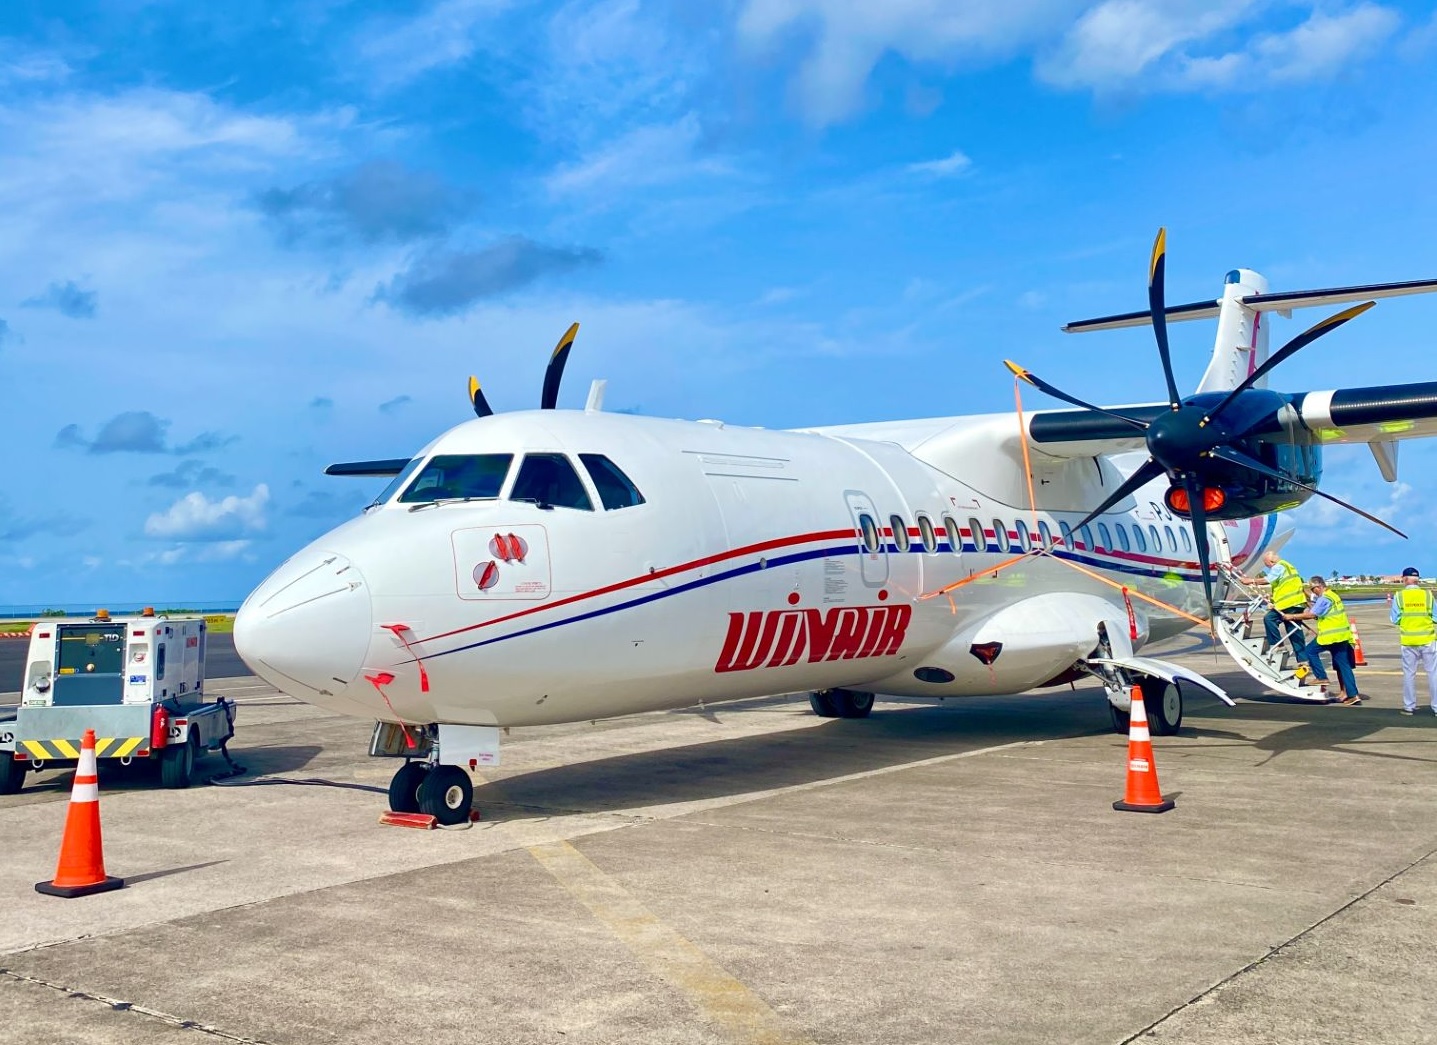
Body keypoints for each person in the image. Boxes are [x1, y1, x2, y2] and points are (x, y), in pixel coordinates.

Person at [1282, 577, 1362, 705]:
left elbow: (1312, 614)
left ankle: (1321, 677)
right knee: (1344, 666)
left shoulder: (1324, 599)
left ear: (1319, 587)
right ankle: (1353, 695)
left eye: (1313, 589)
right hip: (1342, 635)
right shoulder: (1332, 596)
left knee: (1309, 651)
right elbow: (1314, 598)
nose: (1313, 592)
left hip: (1330, 636)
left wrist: (1291, 616)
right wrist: (1302, 590)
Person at [1237, 551, 1308, 657]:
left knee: (1269, 619)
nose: (1269, 568)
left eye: (1267, 565)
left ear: (1271, 561)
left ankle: (1278, 645)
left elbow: (1269, 579)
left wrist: (1250, 581)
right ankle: (1303, 661)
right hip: (1297, 603)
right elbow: (1285, 586)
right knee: (1294, 632)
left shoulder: (1278, 566)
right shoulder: (1289, 566)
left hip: (1288, 604)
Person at [1391, 567, 1437, 716]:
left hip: (1409, 640)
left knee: (1409, 674)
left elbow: (1395, 619)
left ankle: (1409, 706)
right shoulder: (1428, 595)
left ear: (1404, 579)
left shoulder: (1399, 596)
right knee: (1433, 674)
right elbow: (1435, 617)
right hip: (1428, 639)